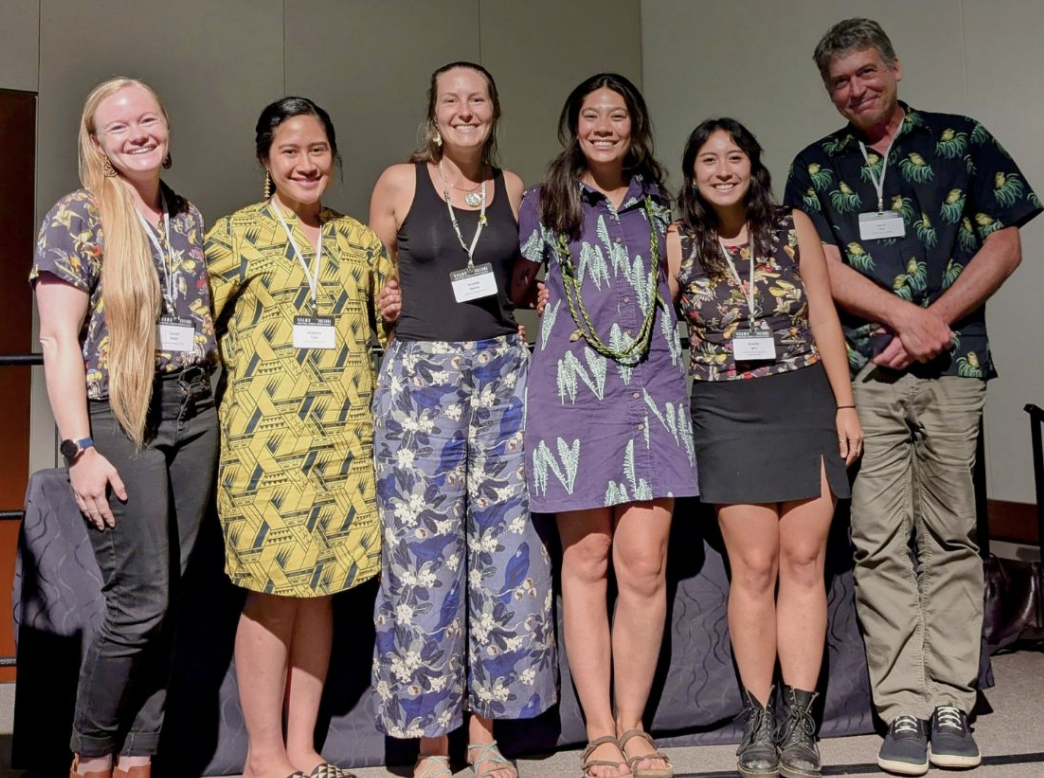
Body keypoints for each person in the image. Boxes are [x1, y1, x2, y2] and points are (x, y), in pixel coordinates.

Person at [784, 17, 1041, 777]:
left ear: (894, 68)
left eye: (866, 72)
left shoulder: (961, 140)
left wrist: (938, 324)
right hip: (862, 373)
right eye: (838, 81)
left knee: (954, 534)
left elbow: (1006, 241)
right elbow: (818, 269)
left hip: (955, 368)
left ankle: (952, 701)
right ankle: (901, 707)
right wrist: (904, 317)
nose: (854, 89)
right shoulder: (816, 167)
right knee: (877, 538)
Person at [368, 62, 557, 778]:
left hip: (502, 376)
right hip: (420, 381)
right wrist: (387, 301)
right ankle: (431, 744)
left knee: (505, 554)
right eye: (451, 99)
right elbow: (372, 277)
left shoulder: (512, 192)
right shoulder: (398, 182)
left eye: (477, 99)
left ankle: (484, 733)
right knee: (422, 560)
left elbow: (519, 286)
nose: (465, 109)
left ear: (495, 111)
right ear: (434, 113)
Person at [32, 77, 219, 778]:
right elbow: (57, 340)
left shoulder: (186, 215)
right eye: (120, 127)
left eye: (147, 119)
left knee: (174, 596)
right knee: (139, 601)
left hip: (196, 414)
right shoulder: (78, 217)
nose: (138, 134)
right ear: (97, 144)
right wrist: (80, 448)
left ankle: (140, 756)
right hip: (122, 415)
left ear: (166, 125)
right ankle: (90, 754)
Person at [514, 73, 698, 778]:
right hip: (571, 401)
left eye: (616, 115)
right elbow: (516, 292)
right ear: (574, 125)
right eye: (591, 115)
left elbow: (683, 292)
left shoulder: (667, 209)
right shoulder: (545, 203)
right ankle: (597, 730)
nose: (603, 125)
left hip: (652, 394)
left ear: (635, 126)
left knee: (645, 566)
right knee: (585, 563)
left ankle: (634, 725)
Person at [668, 118, 862, 778]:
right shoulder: (677, 240)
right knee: (753, 567)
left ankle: (800, 722)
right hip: (723, 408)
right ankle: (758, 719)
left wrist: (844, 403)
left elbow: (825, 316)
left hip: (803, 398)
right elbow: (649, 326)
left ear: (753, 164)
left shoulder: (793, 226)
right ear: (692, 173)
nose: (723, 169)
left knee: (804, 559)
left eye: (735, 156)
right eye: (709, 160)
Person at [204, 97, 388, 778]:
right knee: (272, 590)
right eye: (289, 151)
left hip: (343, 445)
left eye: (317, 150)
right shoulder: (234, 237)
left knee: (323, 591)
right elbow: (196, 332)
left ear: (333, 158)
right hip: (264, 449)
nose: (306, 163)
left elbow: (386, 334)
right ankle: (262, 754)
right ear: (264, 160)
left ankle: (304, 748)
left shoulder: (359, 242)